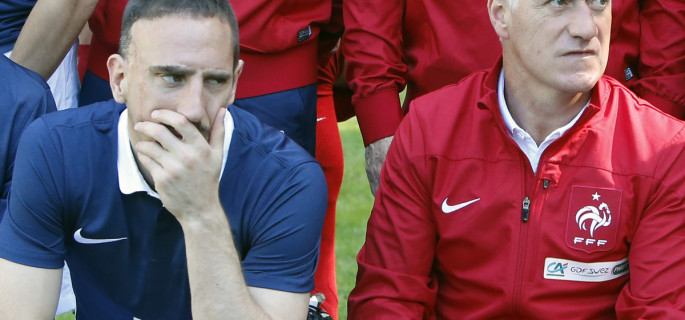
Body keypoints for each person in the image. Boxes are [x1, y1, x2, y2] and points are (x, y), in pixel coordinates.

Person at [347, 0, 685, 318]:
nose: (587, 27)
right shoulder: (428, 132)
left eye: (599, 2)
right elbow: (389, 298)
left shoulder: (661, 151)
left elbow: (661, 309)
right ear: (500, 15)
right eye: (558, 2)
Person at [0, 0, 328, 318]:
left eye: (215, 81)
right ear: (119, 79)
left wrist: (202, 213)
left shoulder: (287, 181)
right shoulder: (56, 150)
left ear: (235, 83)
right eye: (171, 78)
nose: (193, 110)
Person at [342, 0, 685, 195]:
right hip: (443, 134)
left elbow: (667, 16)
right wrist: (382, 129)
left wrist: (650, 138)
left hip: (600, 131)